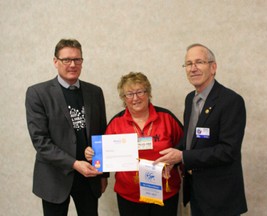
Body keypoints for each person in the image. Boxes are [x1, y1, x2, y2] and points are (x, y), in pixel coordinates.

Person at [154, 44, 248, 216]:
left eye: (199, 62)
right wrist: (173, 157)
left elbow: (228, 151)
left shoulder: (231, 101)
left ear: (213, 67)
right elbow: (190, 139)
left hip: (221, 196)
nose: (193, 68)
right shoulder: (190, 99)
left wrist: (182, 156)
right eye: (188, 64)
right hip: (197, 192)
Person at [25, 38, 108, 216]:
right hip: (54, 176)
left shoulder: (95, 92)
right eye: (66, 60)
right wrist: (74, 164)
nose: (72, 64)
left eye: (77, 59)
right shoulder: (37, 93)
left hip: (89, 176)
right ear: (55, 62)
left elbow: (102, 133)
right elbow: (41, 141)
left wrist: (103, 174)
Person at [85, 72, 183, 216]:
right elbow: (103, 156)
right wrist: (92, 154)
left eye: (140, 92)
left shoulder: (166, 118)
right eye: (129, 94)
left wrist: (177, 162)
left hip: (165, 194)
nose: (135, 98)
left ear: (148, 93)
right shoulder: (116, 123)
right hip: (129, 196)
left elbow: (184, 147)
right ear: (124, 99)